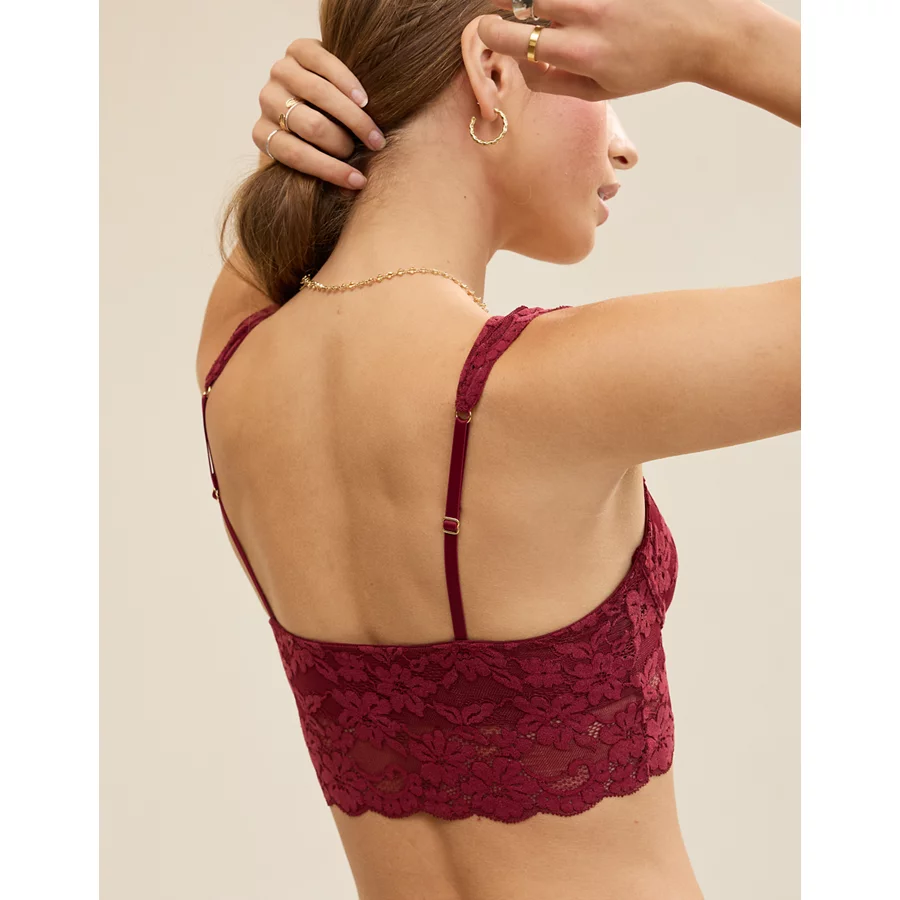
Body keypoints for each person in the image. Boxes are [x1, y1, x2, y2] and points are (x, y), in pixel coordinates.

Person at [195, 1, 799, 897]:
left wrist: (305, 130)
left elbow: (286, 221)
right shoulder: (548, 389)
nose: (625, 146)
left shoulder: (231, 363)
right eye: (600, 85)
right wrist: (723, 40)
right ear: (492, 70)